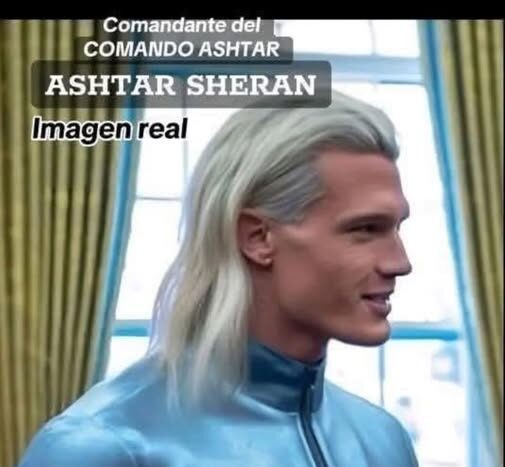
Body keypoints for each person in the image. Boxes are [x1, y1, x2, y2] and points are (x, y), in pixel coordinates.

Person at [18, 90, 419, 466]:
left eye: (396, 228)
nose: (399, 263)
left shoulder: (384, 441)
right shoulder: (103, 447)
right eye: (366, 229)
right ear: (257, 237)